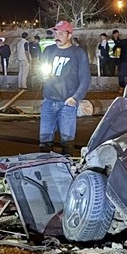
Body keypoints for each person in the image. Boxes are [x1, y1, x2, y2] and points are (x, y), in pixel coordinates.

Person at [38, 20, 91, 155]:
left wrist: (76, 97)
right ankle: (45, 168)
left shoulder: (78, 53)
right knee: (44, 139)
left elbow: (85, 79)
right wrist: (42, 76)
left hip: (68, 103)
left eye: (61, 33)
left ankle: (66, 169)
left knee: (67, 141)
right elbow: (41, 70)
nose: (57, 36)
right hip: (49, 101)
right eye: (56, 33)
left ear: (69, 35)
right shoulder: (49, 51)